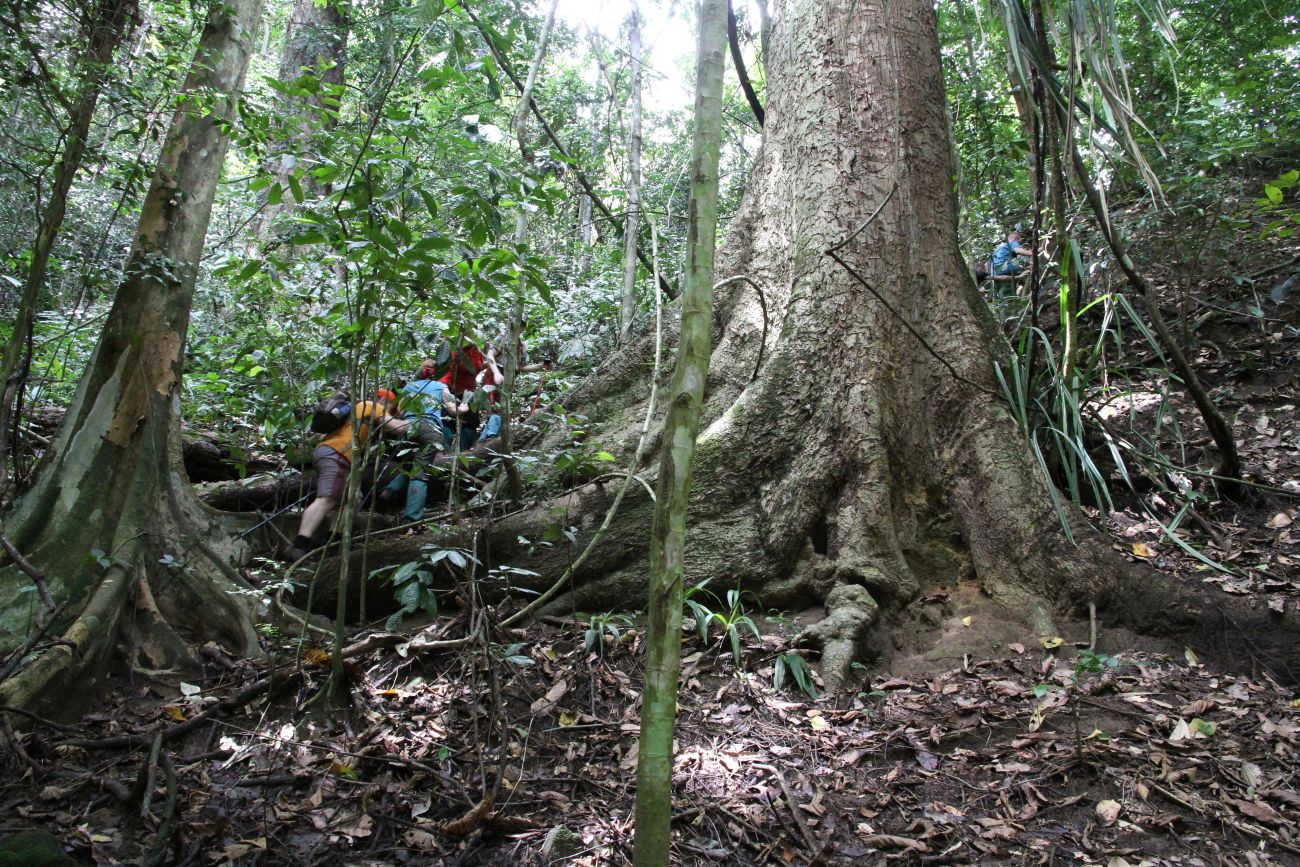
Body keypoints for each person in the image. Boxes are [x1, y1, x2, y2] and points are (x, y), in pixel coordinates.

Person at [285, 389, 408, 561]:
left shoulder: (357, 408)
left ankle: (333, 541)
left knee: (352, 499)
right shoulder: (371, 406)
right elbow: (398, 428)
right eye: (390, 406)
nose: (389, 410)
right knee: (327, 499)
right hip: (336, 453)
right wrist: (420, 420)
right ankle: (299, 545)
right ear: (384, 401)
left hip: (333, 453)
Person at [383, 360, 470, 522]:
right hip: (429, 429)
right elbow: (453, 410)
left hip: (407, 427)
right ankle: (411, 518)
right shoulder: (439, 386)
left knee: (409, 463)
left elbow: (401, 412)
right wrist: (465, 405)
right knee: (420, 473)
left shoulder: (409, 387)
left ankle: (390, 491)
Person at [439, 342, 486, 451]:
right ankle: (444, 452)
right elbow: (462, 367)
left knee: (471, 422)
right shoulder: (455, 347)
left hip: (469, 390)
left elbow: (477, 367)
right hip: (450, 388)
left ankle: (463, 453)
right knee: (447, 420)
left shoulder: (476, 348)